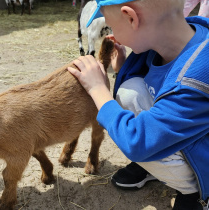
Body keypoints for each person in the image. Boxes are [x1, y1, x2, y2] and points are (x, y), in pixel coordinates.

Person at [67, 0, 209, 209]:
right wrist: (122, 67)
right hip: (189, 135)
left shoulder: (192, 80)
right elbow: (153, 84)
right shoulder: (177, 39)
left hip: (204, 159)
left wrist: (97, 88)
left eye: (111, 26)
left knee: (134, 133)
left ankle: (196, 192)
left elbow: (136, 141)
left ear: (131, 18)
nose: (110, 32)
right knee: (130, 90)